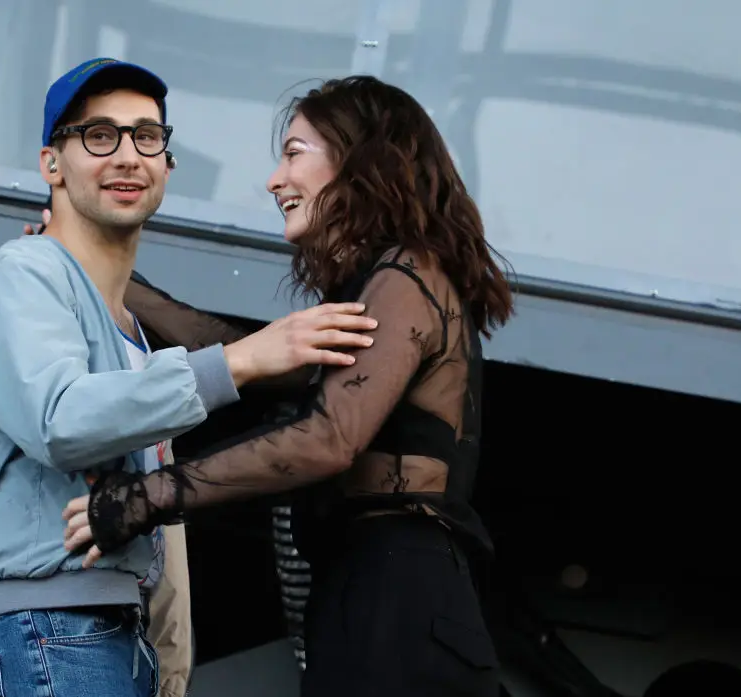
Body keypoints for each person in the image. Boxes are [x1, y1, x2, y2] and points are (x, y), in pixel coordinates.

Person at [0, 58, 377, 696]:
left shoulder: (128, 336)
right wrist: (241, 359)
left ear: (167, 164)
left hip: (103, 638)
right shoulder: (20, 275)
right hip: (37, 626)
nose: (128, 156)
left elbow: (158, 538)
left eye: (147, 137)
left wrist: (170, 669)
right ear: (52, 163)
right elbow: (60, 420)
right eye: (100, 136)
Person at [62, 75, 516, 697]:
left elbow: (327, 439)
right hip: (373, 595)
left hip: (401, 598)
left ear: (361, 160)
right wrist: (100, 277)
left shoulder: (408, 274)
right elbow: (246, 355)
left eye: (294, 153)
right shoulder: (383, 285)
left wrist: (142, 499)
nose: (275, 180)